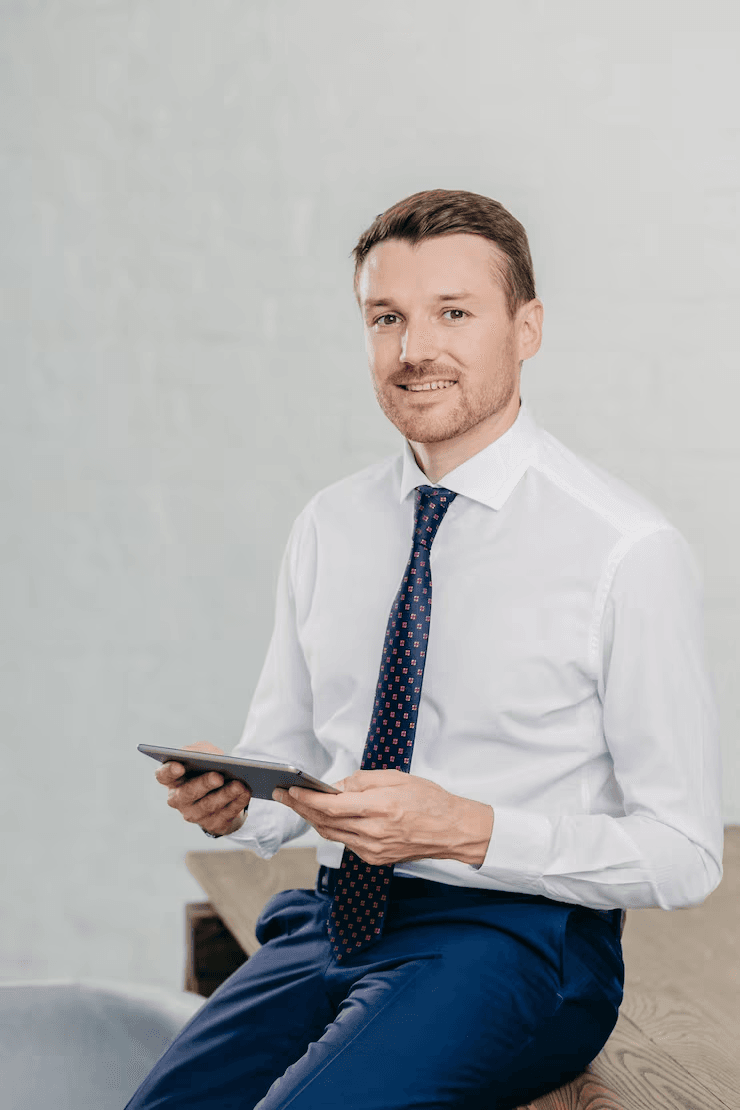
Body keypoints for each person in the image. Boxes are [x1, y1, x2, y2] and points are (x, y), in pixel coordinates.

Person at [126, 189, 723, 1110]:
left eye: (454, 313)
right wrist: (237, 803)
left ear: (526, 328)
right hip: (331, 920)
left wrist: (466, 829)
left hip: (517, 941)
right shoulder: (330, 525)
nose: (415, 350)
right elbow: (294, 780)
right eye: (387, 318)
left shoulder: (624, 551)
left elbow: (685, 853)